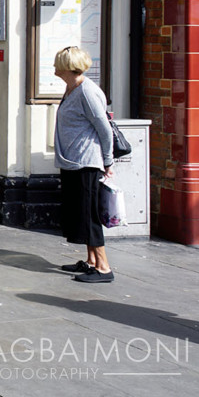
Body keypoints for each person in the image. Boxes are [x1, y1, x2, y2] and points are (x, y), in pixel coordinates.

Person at [52, 46, 116, 283]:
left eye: (57, 63)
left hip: (86, 162)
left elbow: (104, 130)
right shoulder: (72, 88)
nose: (54, 68)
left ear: (68, 67)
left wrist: (108, 162)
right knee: (80, 212)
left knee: (90, 215)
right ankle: (91, 261)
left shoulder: (87, 92)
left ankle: (104, 268)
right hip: (73, 161)